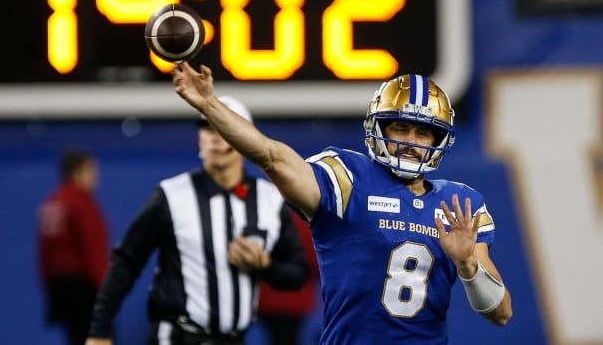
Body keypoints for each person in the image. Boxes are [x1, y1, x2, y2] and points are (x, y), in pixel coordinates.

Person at [171, 63, 513, 344]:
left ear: (438, 140)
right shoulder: (348, 177)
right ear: (379, 130)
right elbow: (272, 156)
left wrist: (468, 265)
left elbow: (500, 314)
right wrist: (210, 106)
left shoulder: (460, 204)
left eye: (423, 133)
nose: (412, 142)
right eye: (400, 128)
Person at [85, 96, 308, 345]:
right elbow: (126, 262)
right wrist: (99, 330)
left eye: (222, 128)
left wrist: (265, 265)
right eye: (206, 128)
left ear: (245, 138)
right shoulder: (171, 195)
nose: (214, 136)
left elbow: (298, 273)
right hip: (177, 337)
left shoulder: (269, 200)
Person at [38, 150, 110, 345]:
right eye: (91, 170)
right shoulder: (81, 203)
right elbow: (93, 248)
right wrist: (106, 292)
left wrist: (51, 292)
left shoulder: (52, 203)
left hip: (60, 288)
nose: (96, 176)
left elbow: (45, 255)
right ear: (77, 172)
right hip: (84, 288)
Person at [256, 212, 320, 345]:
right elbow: (316, 262)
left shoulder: (263, 209)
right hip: (291, 302)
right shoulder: (303, 217)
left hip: (265, 300)